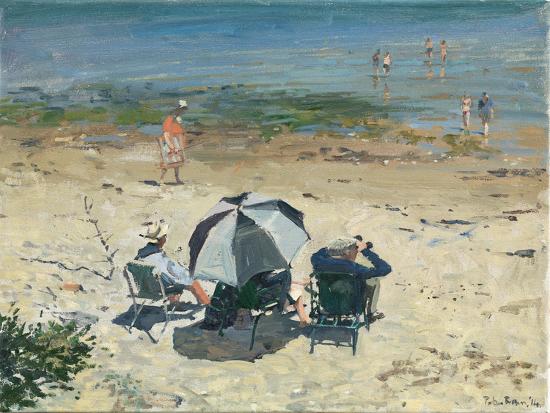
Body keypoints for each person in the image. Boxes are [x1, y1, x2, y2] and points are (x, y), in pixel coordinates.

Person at [310, 236, 392, 323]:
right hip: (350, 308)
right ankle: (371, 313)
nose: (356, 252)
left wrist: (338, 245)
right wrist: (365, 251)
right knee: (374, 281)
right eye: (355, 250)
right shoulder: (354, 268)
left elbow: (318, 254)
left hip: (327, 305)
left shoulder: (319, 262)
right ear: (347, 252)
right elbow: (385, 268)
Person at [135, 220, 210, 305]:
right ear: (160, 240)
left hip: (145, 290)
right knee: (190, 281)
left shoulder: (140, 255)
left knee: (171, 278)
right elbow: (174, 275)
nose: (166, 238)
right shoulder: (160, 257)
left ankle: (174, 304)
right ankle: (207, 302)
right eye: (164, 236)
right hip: (161, 289)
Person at [159, 100, 188, 185]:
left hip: (174, 142)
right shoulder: (169, 120)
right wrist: (172, 147)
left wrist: (179, 147)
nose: (182, 112)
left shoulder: (177, 120)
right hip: (168, 145)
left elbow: (179, 134)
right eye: (181, 109)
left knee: (177, 162)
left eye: (183, 110)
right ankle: (161, 179)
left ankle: (177, 178)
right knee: (167, 163)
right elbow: (166, 136)